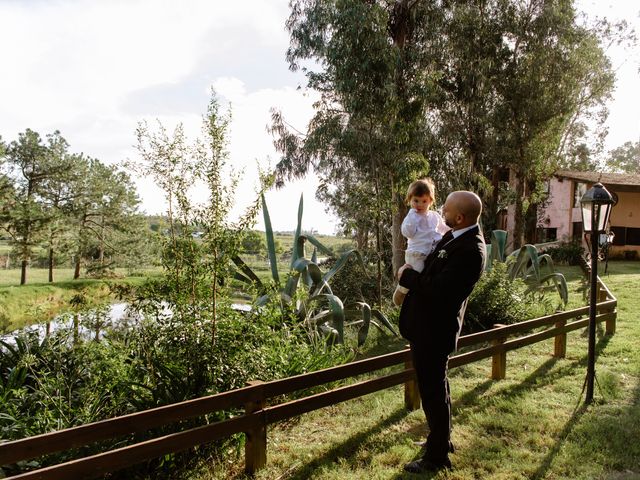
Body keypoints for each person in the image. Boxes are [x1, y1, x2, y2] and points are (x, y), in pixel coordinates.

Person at [397, 190, 487, 474]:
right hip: (427, 327)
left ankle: (435, 457)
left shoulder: (471, 250)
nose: (441, 212)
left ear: (459, 217)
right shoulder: (456, 235)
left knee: (432, 392)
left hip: (434, 331)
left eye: (445, 210)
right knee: (437, 388)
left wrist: (408, 277)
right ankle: (442, 439)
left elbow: (440, 291)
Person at [393, 178, 449, 306]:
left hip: (430, 253)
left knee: (427, 276)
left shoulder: (435, 216)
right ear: (410, 200)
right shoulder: (412, 217)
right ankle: (401, 290)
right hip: (416, 254)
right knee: (415, 274)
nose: (420, 204)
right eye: (416, 201)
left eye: (424, 201)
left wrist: (452, 230)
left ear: (430, 201)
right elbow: (407, 233)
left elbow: (443, 228)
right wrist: (413, 217)